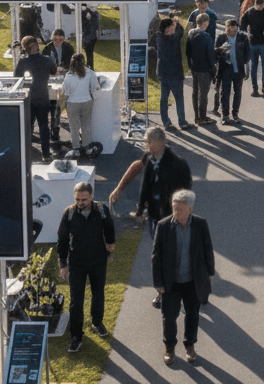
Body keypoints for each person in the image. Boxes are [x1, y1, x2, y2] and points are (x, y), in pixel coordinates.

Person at [109, 125, 192, 305]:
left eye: (151, 145)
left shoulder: (176, 163)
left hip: (173, 218)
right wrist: (119, 188)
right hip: (155, 217)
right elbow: (136, 166)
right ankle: (163, 292)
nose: (148, 148)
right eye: (147, 144)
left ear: (161, 142)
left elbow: (186, 192)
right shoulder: (150, 157)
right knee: (159, 255)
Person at [152, 189, 215, 366]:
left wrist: (208, 276)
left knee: (192, 315)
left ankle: (189, 346)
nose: (175, 212)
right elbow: (156, 256)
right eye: (174, 208)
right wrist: (158, 283)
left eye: (179, 209)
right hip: (170, 283)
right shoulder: (163, 226)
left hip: (192, 282)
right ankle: (169, 348)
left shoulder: (201, 224)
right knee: (169, 317)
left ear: (189, 209)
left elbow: (207, 250)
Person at [57, 182, 116, 353]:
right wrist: (63, 264)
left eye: (84, 199)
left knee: (98, 293)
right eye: (77, 199)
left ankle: (97, 322)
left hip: (98, 260)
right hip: (76, 262)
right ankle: (76, 336)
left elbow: (109, 226)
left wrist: (110, 242)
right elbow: (62, 239)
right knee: (76, 300)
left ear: (91, 196)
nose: (80, 202)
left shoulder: (101, 210)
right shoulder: (69, 213)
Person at [14, 35, 57, 161]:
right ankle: (46, 154)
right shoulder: (47, 59)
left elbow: (16, 77)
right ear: (35, 46)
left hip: (29, 99)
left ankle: (27, 154)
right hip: (43, 97)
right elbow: (54, 71)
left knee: (28, 127)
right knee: (44, 127)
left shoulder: (23, 62)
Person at [155, 14, 191, 130]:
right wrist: (176, 20)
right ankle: (182, 121)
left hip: (162, 73)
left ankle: (165, 121)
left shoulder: (158, 37)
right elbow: (180, 30)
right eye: (169, 29)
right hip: (175, 74)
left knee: (164, 98)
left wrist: (173, 21)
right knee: (179, 98)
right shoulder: (174, 38)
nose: (171, 30)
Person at [215, 18, 251, 125]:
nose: (231, 33)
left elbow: (248, 53)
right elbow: (215, 54)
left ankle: (235, 113)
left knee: (237, 92)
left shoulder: (243, 38)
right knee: (225, 92)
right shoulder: (221, 38)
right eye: (229, 30)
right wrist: (220, 52)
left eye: (233, 31)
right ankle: (225, 115)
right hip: (225, 70)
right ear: (226, 28)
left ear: (237, 30)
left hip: (238, 70)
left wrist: (242, 61)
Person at [61, 53, 99, 150]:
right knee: (86, 126)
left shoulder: (69, 76)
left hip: (72, 104)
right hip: (87, 102)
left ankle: (76, 149)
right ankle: (88, 148)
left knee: (74, 128)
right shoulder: (90, 73)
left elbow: (65, 91)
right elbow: (96, 88)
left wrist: (60, 104)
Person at [240, 0, 264, 97]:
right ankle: (255, 88)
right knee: (254, 67)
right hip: (253, 43)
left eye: (261, 5)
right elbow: (242, 25)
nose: (259, 7)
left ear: (263, 4)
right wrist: (247, 34)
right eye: (257, 5)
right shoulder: (250, 12)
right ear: (255, 4)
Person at [186, 12, 216, 126]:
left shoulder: (191, 33)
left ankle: (196, 116)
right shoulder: (206, 36)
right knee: (203, 94)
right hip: (204, 69)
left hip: (194, 68)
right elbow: (210, 55)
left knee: (195, 92)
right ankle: (202, 117)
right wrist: (213, 69)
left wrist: (190, 64)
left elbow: (188, 52)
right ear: (205, 23)